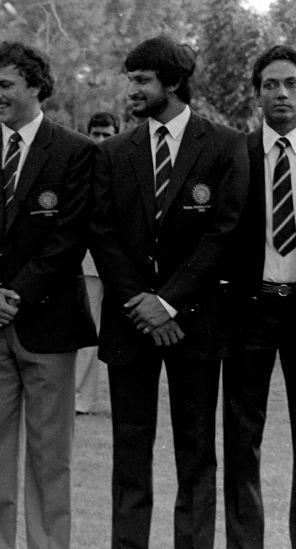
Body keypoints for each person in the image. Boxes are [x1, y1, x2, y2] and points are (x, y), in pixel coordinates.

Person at [89, 36, 247, 549]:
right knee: (129, 454)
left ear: (173, 83)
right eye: (129, 80)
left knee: (196, 453)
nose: (131, 90)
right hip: (131, 321)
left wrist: (170, 301)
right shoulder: (114, 152)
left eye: (142, 80)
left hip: (194, 323)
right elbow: (103, 233)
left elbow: (223, 233)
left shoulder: (224, 145)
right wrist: (145, 304)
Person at [0, 41, 97, 549]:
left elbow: (69, 238)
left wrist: (11, 295)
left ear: (35, 87)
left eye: (5, 85)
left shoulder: (77, 152)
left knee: (50, 458)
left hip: (49, 327)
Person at [223, 44, 296, 549]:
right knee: (242, 440)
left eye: (291, 84)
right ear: (257, 96)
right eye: (270, 85)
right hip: (248, 312)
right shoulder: (237, 154)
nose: (282, 94)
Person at [74, 111, 120, 414]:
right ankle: (80, 398)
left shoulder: (124, 161)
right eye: (96, 133)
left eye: (107, 134)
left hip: (120, 263)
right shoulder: (80, 165)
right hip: (89, 262)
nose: (100, 140)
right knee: (89, 331)